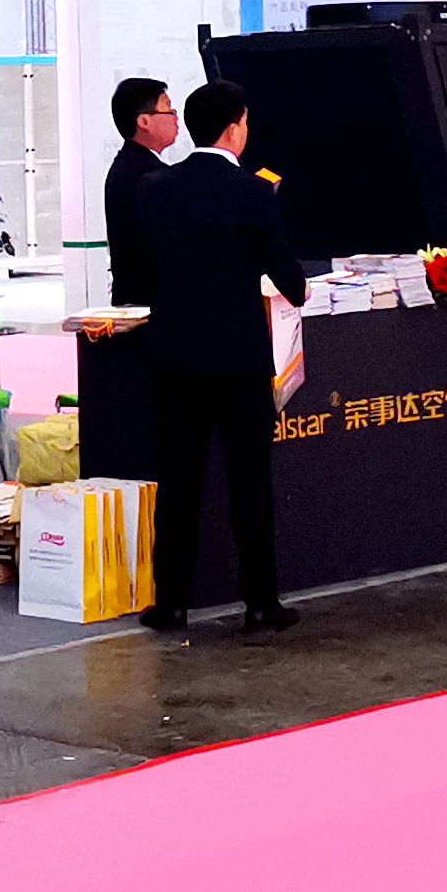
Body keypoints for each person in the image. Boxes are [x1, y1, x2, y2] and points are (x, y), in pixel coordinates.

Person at [131, 80, 308, 635]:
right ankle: (260, 603)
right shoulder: (254, 192)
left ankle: (171, 603)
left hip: (176, 357)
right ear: (234, 129)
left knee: (178, 482)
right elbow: (292, 282)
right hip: (239, 360)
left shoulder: (154, 188)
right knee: (249, 482)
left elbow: (140, 270)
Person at [101, 75, 180, 308]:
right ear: (144, 121)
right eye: (169, 110)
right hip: (148, 304)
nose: (176, 118)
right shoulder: (146, 175)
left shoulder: (131, 165)